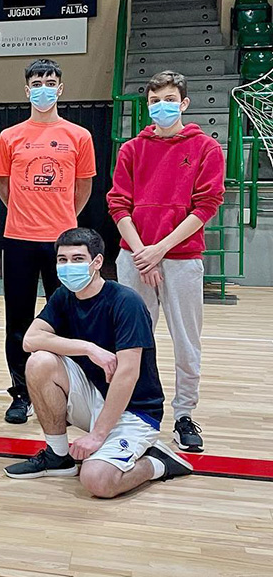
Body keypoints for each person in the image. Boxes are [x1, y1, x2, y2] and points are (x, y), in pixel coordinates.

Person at [3, 228, 193, 497]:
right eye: (63, 260)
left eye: (78, 259)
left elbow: (127, 374)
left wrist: (98, 436)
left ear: (97, 262)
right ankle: (58, 457)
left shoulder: (126, 302)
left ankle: (158, 462)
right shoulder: (63, 297)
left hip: (133, 410)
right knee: (39, 362)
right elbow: (30, 340)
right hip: (93, 398)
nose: (69, 266)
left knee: (97, 480)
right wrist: (88, 348)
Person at [107, 70, 225, 452]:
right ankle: (135, 408)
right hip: (134, 256)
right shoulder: (131, 150)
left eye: (169, 99)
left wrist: (159, 249)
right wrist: (143, 251)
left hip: (182, 259)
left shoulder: (205, 148)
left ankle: (185, 414)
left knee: (186, 342)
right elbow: (118, 204)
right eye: (155, 100)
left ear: (184, 103)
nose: (162, 106)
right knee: (131, 341)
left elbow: (206, 205)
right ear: (147, 105)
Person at [0, 59, 96, 425]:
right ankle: (20, 392)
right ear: (26, 89)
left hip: (63, 244)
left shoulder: (79, 136)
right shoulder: (10, 137)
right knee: (17, 321)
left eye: (50, 81)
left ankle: (66, 390)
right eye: (37, 82)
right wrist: (26, 211)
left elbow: (83, 188)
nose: (43, 87)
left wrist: (61, 216)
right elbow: (3, 187)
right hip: (18, 239)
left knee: (65, 318)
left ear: (60, 88)